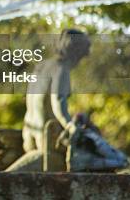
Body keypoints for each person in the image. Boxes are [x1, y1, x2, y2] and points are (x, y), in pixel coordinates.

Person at [6, 29, 90, 171]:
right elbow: (58, 101)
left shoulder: (42, 66)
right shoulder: (61, 69)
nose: (84, 57)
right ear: (76, 52)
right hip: (46, 138)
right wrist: (71, 126)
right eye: (83, 54)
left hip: (29, 132)